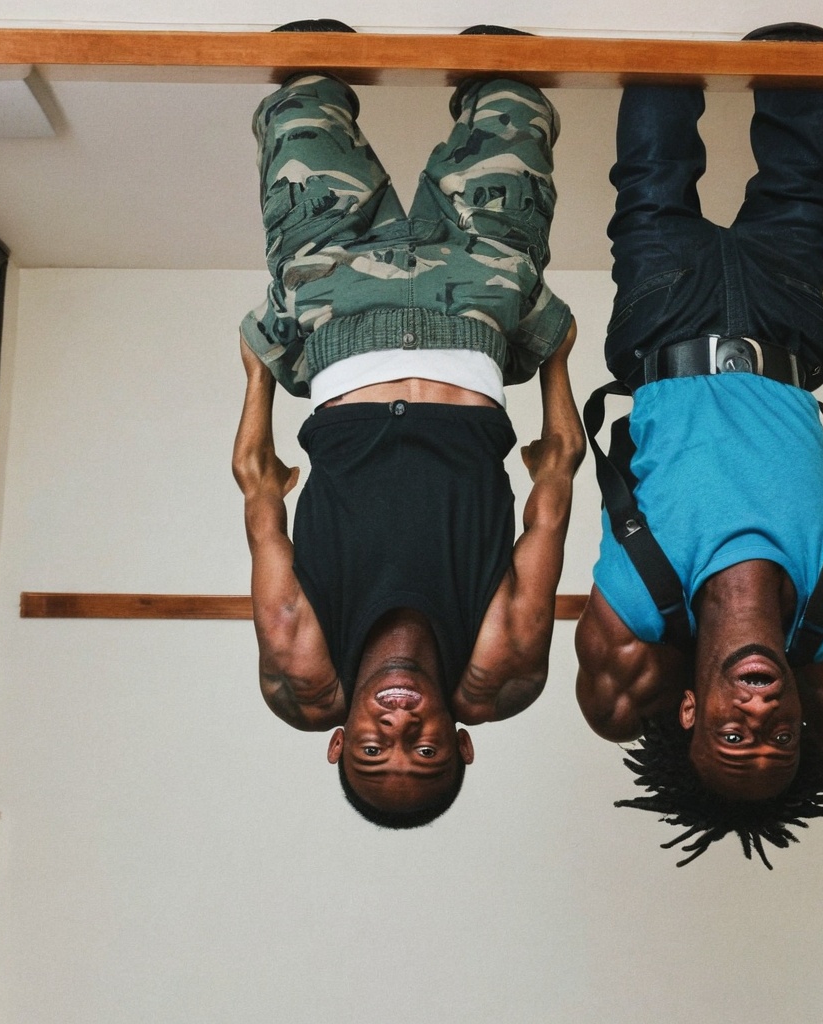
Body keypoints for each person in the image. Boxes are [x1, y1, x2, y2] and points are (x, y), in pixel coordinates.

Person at [232, 22, 584, 828]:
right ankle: (493, 83)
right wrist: (553, 351)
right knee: (511, 86)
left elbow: (258, 491)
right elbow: (556, 485)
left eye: (373, 749)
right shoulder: (498, 664)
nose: (400, 728)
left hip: (335, 310)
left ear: (338, 741)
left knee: (305, 89)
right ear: (461, 745)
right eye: (424, 751)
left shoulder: (305, 666)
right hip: (478, 307)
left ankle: (317, 85)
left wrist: (259, 367)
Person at [574, 23, 823, 866]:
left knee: (651, 178)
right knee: (802, 187)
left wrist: (676, 670)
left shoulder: (646, 609)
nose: (758, 715)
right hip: (787, 329)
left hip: (665, 324)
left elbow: (608, 706)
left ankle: (665, 25)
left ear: (689, 711)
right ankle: (792, 59)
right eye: (780, 737)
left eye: (731, 734)